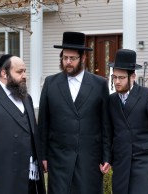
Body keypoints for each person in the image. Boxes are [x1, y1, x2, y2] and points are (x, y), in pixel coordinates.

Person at [38, 31, 112, 194]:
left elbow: (105, 124)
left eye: (72, 58)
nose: (68, 62)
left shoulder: (99, 84)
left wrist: (107, 156)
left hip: (89, 159)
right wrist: (42, 155)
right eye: (65, 58)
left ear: (83, 58)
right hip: (58, 159)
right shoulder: (51, 83)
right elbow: (43, 123)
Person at [108, 49, 148, 194]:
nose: (117, 81)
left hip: (145, 161)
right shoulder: (111, 100)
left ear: (133, 77)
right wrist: (108, 158)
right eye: (114, 77)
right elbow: (109, 132)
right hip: (121, 162)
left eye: (121, 78)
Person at [0, 55, 46, 194]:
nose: (24, 76)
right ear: (4, 73)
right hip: (1, 174)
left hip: (29, 175)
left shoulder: (27, 98)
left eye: (25, 71)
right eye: (19, 72)